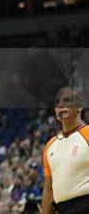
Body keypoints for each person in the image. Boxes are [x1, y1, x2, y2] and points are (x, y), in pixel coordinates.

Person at [41, 86, 89, 214]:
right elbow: (48, 189)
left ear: (80, 107)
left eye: (67, 100)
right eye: (57, 103)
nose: (61, 105)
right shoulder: (50, 145)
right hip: (61, 209)